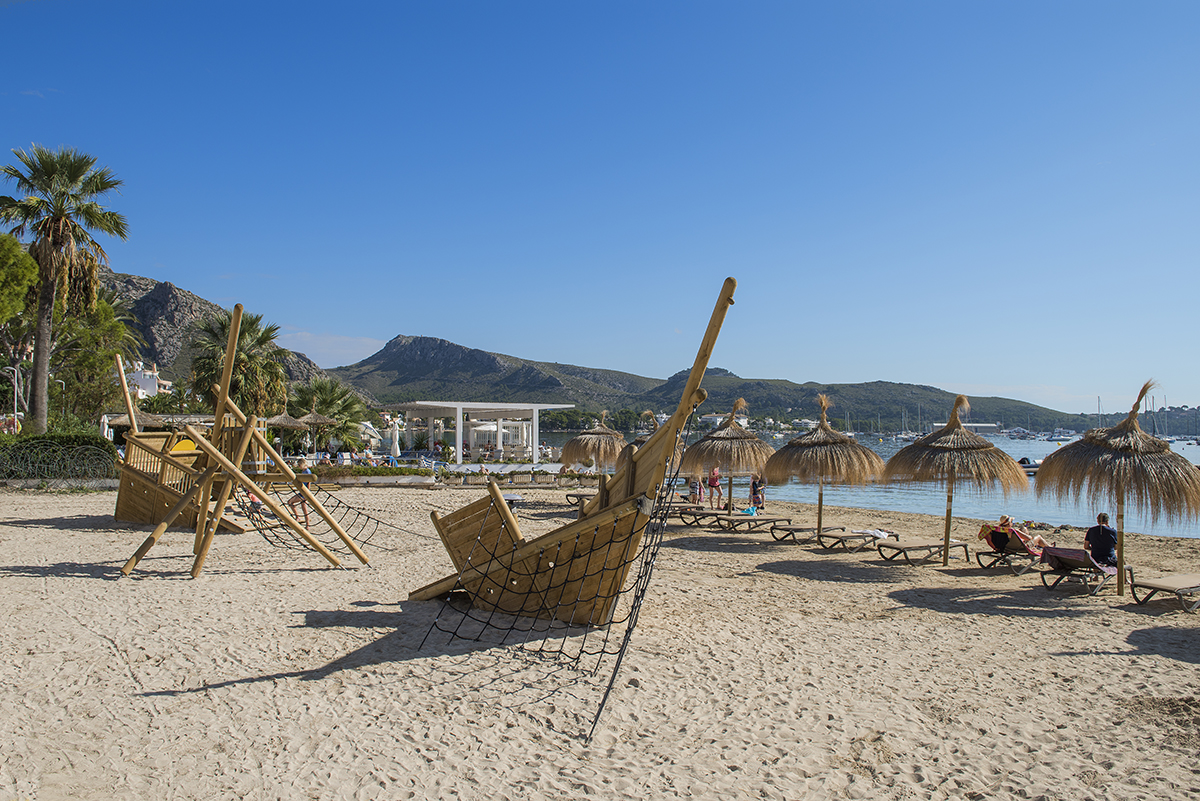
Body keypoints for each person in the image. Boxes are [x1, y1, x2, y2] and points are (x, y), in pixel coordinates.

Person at [978, 514, 1050, 553]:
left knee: (1024, 529)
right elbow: (1029, 538)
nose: (1012, 523)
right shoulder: (1012, 531)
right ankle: (1050, 548)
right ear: (1009, 523)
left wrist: (995, 548)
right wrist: (1025, 536)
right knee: (1038, 537)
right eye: (1012, 522)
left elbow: (989, 541)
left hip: (1003, 548)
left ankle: (1047, 546)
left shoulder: (995, 530)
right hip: (1018, 548)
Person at [287, 459, 313, 528]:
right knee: (304, 509)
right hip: (302, 491)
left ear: (302, 464)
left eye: (299, 465)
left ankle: (299, 518)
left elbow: (309, 483)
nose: (298, 466)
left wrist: (307, 494)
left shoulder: (307, 471)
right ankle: (306, 524)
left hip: (304, 493)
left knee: (290, 502)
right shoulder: (303, 471)